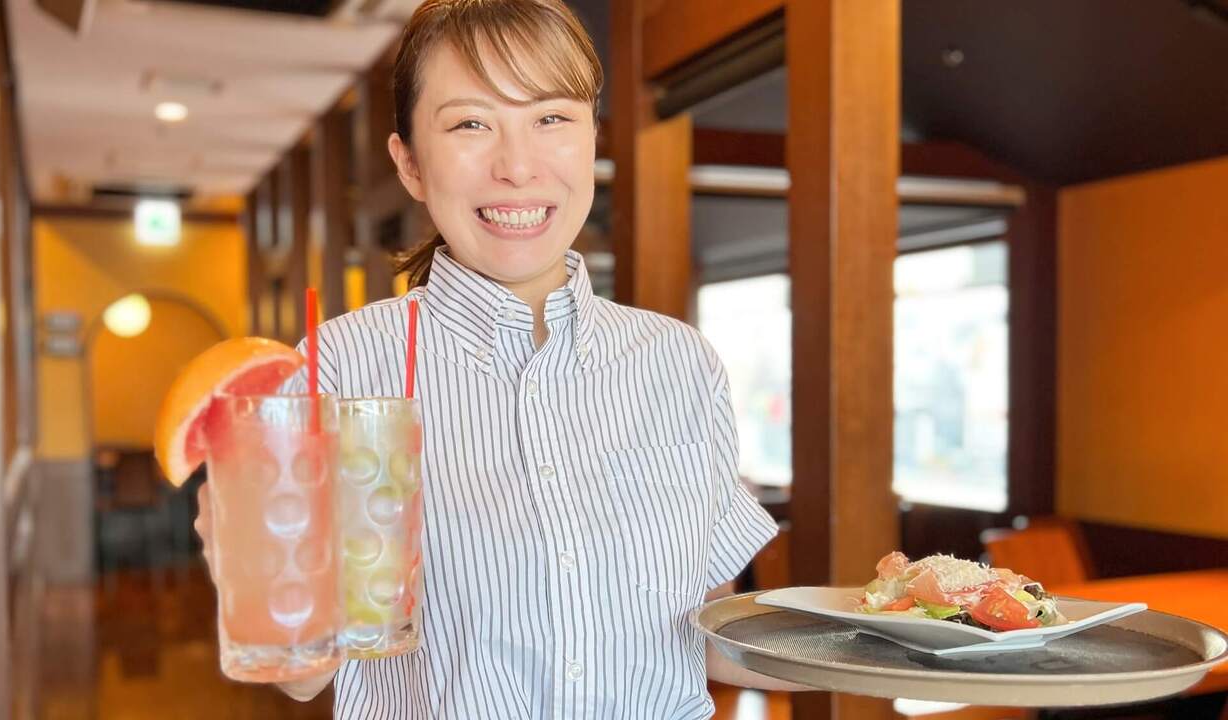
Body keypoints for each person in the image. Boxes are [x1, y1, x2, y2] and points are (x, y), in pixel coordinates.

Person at [196, 0, 806, 716]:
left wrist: (882, 645)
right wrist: (255, 561)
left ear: (591, 140)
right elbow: (302, 676)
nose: (517, 167)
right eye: (470, 124)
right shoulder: (337, 368)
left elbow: (698, 628)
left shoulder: (679, 363)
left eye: (551, 119)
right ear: (411, 163)